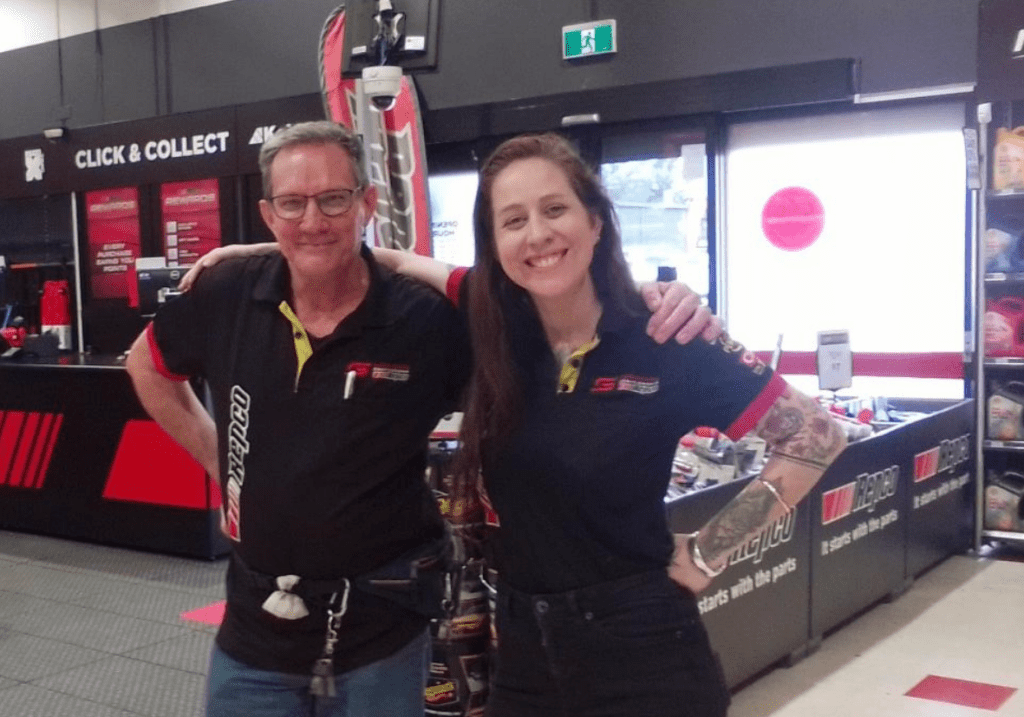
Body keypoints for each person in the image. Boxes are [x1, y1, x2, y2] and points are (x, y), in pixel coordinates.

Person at [126, 120, 718, 717]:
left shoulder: (430, 320)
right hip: (255, 635)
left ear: (366, 203)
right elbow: (144, 366)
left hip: (384, 631)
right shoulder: (225, 292)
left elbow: (545, 300)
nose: (313, 219)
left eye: (333, 199)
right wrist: (222, 460)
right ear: (268, 212)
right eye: (292, 204)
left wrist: (644, 298)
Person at [365, 133, 847, 716]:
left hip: (643, 650)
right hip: (521, 653)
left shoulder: (666, 334)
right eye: (512, 220)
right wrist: (247, 258)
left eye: (555, 209)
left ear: (595, 222)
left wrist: (706, 553)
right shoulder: (494, 320)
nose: (537, 235)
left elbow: (816, 435)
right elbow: (389, 261)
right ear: (494, 244)